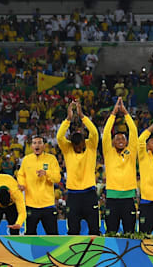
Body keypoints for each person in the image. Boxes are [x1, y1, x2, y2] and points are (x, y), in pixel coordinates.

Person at [57, 100, 100, 235]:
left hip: (89, 193)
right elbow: (59, 137)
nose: (77, 148)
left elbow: (94, 132)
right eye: (74, 146)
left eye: (79, 145)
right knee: (73, 230)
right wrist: (68, 119)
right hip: (73, 195)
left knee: (94, 229)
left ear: (83, 141)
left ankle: (96, 254)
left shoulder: (91, 146)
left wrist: (82, 116)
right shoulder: (68, 149)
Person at [102, 97, 139, 233]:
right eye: (117, 138)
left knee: (130, 232)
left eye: (123, 138)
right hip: (112, 198)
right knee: (111, 232)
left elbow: (134, 132)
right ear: (113, 142)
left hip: (129, 198)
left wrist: (126, 114)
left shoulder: (131, 151)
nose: (121, 140)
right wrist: (113, 114)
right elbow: (106, 134)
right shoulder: (108, 152)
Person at [17, 135, 61, 235]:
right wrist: (22, 184)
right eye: (34, 143)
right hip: (31, 205)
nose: (37, 145)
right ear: (31, 146)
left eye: (39, 143)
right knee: (30, 235)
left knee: (53, 235)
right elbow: (21, 174)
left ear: (44, 146)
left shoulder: (51, 159)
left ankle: (53, 251)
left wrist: (46, 174)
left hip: (48, 205)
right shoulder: (26, 159)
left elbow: (57, 178)